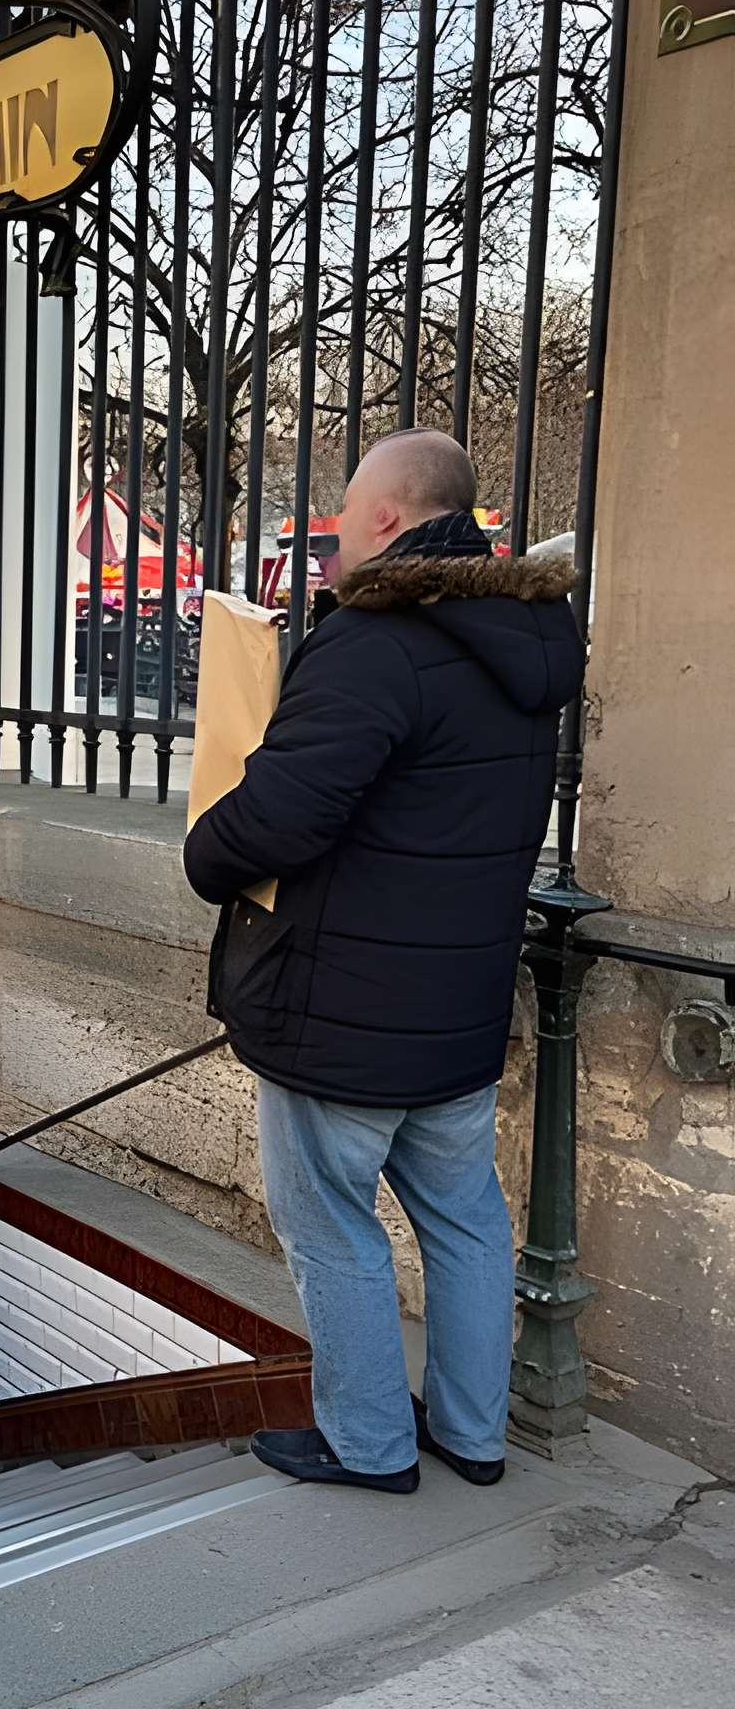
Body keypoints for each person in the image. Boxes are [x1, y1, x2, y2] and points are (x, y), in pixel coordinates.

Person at [183, 429, 584, 1496]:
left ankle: (368, 1444)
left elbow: (280, 815)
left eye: (343, 521)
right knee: (465, 1221)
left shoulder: (376, 641)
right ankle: (471, 1433)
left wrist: (203, 852)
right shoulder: (530, 636)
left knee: (329, 1227)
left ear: (388, 520)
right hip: (457, 1015)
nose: (329, 553)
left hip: (341, 1015)